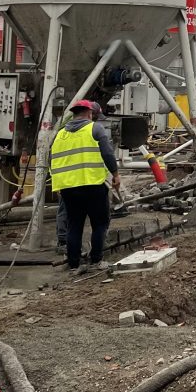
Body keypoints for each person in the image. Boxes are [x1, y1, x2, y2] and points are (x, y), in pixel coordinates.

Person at [51, 100, 119, 273]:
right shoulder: (94, 128)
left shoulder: (60, 134)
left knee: (74, 225)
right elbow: (107, 153)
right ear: (89, 113)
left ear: (73, 114)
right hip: (92, 184)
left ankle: (74, 263)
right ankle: (96, 260)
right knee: (100, 224)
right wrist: (116, 174)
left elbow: (53, 161)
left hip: (68, 187)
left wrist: (59, 184)